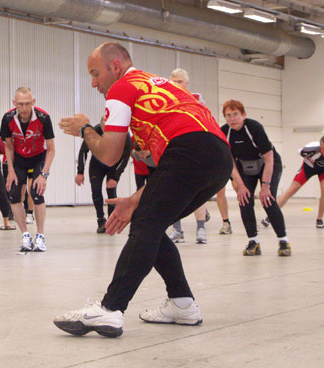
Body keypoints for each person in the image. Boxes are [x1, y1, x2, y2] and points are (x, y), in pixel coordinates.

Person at [55, 42, 232, 338]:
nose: (93, 82)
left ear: (115, 66)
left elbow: (109, 155)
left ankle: (110, 309)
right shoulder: (155, 84)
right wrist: (137, 199)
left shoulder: (122, 88)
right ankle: (182, 303)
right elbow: (168, 171)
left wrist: (86, 129)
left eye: (95, 73)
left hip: (188, 150)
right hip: (217, 158)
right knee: (151, 222)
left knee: (147, 224)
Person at [221, 99, 291, 257]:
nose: (232, 119)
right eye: (228, 115)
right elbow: (230, 163)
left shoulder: (254, 128)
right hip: (245, 166)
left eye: (235, 114)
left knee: (268, 200)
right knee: (244, 200)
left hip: (268, 164)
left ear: (243, 115)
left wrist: (265, 186)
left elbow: (269, 159)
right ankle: (253, 241)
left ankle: (283, 241)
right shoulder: (225, 132)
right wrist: (240, 186)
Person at [1, 87, 56, 252]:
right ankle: (25, 234)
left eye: (27, 104)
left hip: (39, 156)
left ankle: (40, 235)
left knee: (37, 192)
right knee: (15, 194)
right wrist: (10, 170)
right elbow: (8, 147)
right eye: (20, 104)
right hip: (19, 158)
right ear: (14, 103)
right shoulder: (8, 118)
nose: (24, 109)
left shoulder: (43, 118)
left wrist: (44, 175)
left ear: (33, 102)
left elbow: (52, 149)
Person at [167, 68, 210, 244]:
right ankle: (177, 230)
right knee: (172, 191)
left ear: (186, 83)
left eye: (179, 81)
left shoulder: (197, 98)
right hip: (176, 149)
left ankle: (201, 228)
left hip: (196, 149)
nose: (176, 84)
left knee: (197, 191)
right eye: (173, 81)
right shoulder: (167, 101)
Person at [76, 118, 131, 233]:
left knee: (111, 192)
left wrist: (115, 177)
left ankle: (111, 221)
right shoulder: (93, 131)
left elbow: (125, 157)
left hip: (114, 165)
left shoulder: (124, 134)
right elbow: (83, 151)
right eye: (104, 128)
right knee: (96, 190)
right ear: (101, 126)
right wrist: (80, 172)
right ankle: (101, 220)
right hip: (97, 164)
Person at [262, 137, 324, 228]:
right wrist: (310, 161)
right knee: (291, 190)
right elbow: (300, 152)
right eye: (323, 148)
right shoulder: (310, 149)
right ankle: (270, 216)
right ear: (320, 146)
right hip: (308, 168)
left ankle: (319, 218)